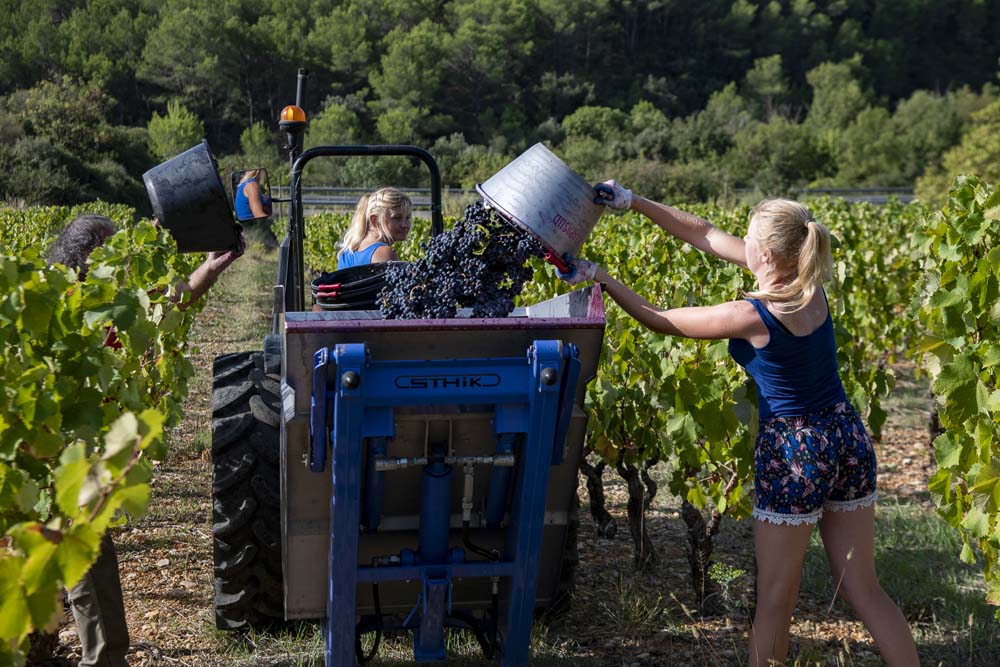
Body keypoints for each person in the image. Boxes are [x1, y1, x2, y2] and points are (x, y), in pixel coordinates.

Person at [564, 182, 919, 667]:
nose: (740, 242)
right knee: (865, 588)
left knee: (775, 602)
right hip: (846, 436)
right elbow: (706, 234)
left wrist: (599, 277)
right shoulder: (810, 284)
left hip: (795, 452)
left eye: (748, 238)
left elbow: (662, 320)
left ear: (767, 254)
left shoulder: (752, 315)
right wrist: (636, 203)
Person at [47, 213, 244, 667]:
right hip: (59, 446)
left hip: (90, 441)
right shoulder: (66, 301)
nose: (124, 261)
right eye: (114, 249)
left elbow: (166, 305)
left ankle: (109, 653)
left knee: (95, 547)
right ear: (92, 254)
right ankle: (99, 657)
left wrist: (211, 268)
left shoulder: (113, 299)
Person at [336, 187, 412, 269]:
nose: (405, 225)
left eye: (407, 218)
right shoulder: (384, 253)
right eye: (397, 218)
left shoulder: (346, 252)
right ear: (374, 220)